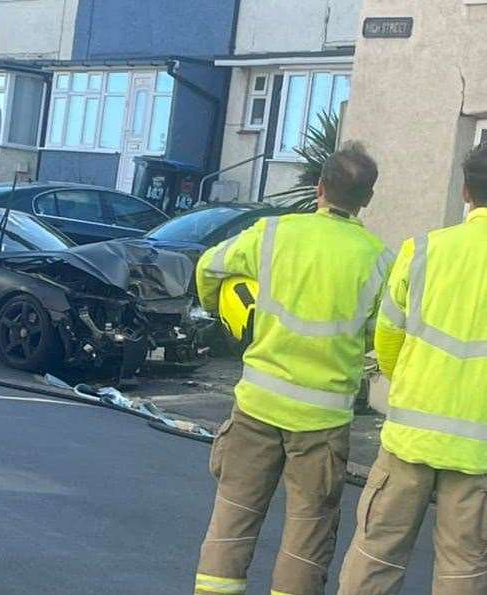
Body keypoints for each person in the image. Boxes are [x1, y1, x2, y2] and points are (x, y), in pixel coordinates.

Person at [193, 142, 392, 595]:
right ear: (367, 199)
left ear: (318, 187)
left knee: (234, 517)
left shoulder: (272, 233)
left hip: (257, 405)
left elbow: (208, 267)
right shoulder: (379, 259)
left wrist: (228, 317)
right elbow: (381, 336)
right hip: (322, 420)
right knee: (308, 534)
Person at [338, 144, 487, 594]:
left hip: (409, 437)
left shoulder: (422, 250)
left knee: (376, 554)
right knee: (463, 568)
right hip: (478, 451)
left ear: (464, 191)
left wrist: (409, 382)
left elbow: (387, 336)